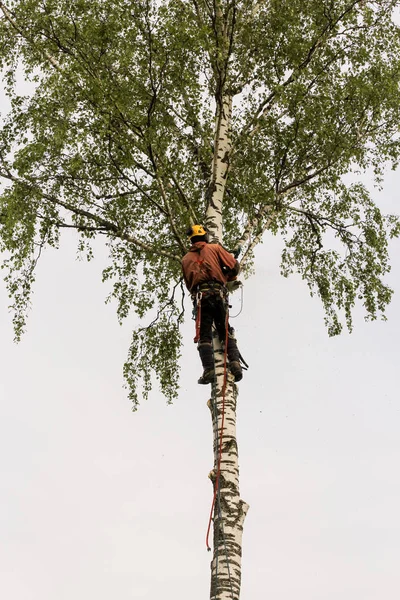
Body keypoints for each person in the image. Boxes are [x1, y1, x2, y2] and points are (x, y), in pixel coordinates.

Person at [181, 224, 243, 384]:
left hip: (202, 298)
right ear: (204, 236)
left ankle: (208, 370)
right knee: (225, 331)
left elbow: (189, 285)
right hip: (219, 294)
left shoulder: (185, 259)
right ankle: (235, 365)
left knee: (205, 336)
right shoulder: (215, 248)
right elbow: (235, 267)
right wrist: (224, 274)